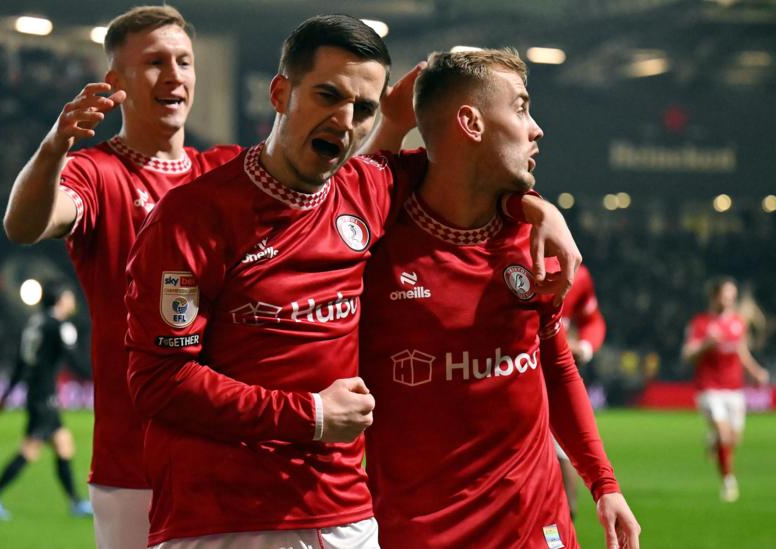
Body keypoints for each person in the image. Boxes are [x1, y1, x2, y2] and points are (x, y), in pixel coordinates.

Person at [124, 16, 581, 548]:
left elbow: (471, 174)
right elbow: (159, 381)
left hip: (346, 520)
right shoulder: (193, 218)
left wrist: (537, 208)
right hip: (223, 520)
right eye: (327, 95)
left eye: (363, 109)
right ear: (280, 93)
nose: (344, 120)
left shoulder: (371, 187)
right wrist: (311, 415)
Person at [360, 48, 640, 549]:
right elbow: (341, 202)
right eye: (520, 107)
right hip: (419, 533)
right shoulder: (377, 240)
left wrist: (604, 485)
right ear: (470, 122)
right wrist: (392, 123)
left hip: (537, 527)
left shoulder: (531, 240)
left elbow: (555, 367)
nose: (536, 129)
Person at [1, 6, 242, 547]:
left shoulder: (223, 173)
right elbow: (23, 225)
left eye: (184, 61)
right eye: (155, 62)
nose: (175, 75)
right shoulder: (96, 171)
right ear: (117, 83)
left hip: (231, 451)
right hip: (134, 462)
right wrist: (53, 147)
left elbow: (320, 192)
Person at [0, 280, 93, 520]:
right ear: (60, 299)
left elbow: (21, 364)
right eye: (69, 296)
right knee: (30, 450)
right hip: (44, 397)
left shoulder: (35, 323)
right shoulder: (60, 327)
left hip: (38, 393)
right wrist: (101, 377)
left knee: (64, 445)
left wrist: (6, 395)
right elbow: (75, 363)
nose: (73, 300)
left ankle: (76, 502)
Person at [682, 276, 769, 502]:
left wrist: (756, 371)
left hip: (734, 388)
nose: (730, 299)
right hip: (709, 388)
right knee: (724, 434)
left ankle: (713, 439)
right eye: (725, 295)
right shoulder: (701, 323)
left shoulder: (737, 323)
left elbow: (741, 352)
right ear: (715, 297)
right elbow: (688, 355)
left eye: (732, 295)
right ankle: (728, 482)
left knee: (733, 438)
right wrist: (706, 345)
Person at [557, 263, 608, 518]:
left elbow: (592, 320)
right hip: (501, 384)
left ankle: (567, 523)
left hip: (551, 380)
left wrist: (585, 346)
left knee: (564, 452)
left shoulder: (577, 273)